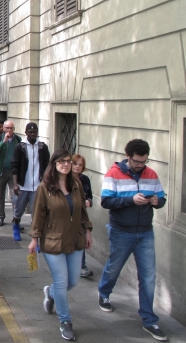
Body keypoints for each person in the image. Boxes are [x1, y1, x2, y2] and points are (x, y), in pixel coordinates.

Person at [97, 139, 167, 342]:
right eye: (137, 161)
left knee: (148, 277)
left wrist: (157, 201)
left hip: (145, 232)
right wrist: (130, 200)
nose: (141, 165)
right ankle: (104, 292)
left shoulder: (151, 174)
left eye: (144, 161)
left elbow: (162, 199)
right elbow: (106, 201)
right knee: (114, 267)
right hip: (121, 231)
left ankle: (149, 319)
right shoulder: (114, 174)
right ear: (128, 157)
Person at [29, 149, 93, 342]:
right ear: (54, 164)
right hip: (52, 240)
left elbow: (82, 210)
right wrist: (34, 238)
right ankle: (65, 321)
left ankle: (50, 292)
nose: (66, 164)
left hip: (75, 239)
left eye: (68, 161)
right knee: (61, 281)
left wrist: (88, 230)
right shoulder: (45, 187)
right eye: (61, 161)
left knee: (71, 282)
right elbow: (38, 214)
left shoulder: (76, 184)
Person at [10, 122, 50, 241]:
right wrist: (15, 184)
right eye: (30, 132)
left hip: (37, 186)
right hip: (23, 185)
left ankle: (35, 237)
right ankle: (16, 226)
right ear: (26, 133)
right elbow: (15, 165)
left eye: (34, 132)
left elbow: (47, 165)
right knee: (18, 211)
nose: (32, 134)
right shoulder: (20, 147)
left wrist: (46, 182)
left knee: (36, 213)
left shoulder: (42, 147)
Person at [0, 120, 21, 227]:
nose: (9, 130)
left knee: (15, 196)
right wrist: (3, 141)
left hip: (13, 173)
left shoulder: (18, 139)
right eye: (7, 128)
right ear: (3, 129)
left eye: (11, 128)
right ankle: (0, 217)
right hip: (0, 172)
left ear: (14, 129)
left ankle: (15, 219)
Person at [71, 154, 93, 278]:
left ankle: (81, 265)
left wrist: (88, 201)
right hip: (67, 214)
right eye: (75, 163)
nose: (78, 167)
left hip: (81, 215)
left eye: (80, 165)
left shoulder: (85, 180)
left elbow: (89, 195)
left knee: (81, 238)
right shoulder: (65, 179)